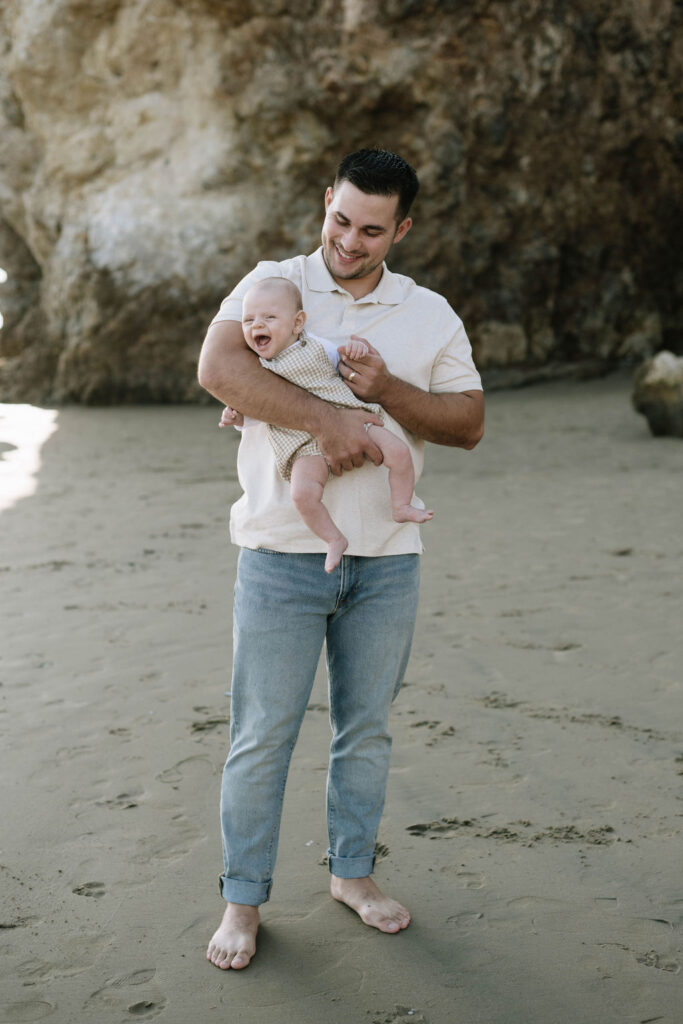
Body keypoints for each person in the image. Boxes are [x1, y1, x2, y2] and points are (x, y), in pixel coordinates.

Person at [198, 148, 484, 970]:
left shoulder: (428, 312)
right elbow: (218, 368)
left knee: (366, 734)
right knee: (262, 736)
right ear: (324, 201)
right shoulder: (271, 283)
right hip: (280, 554)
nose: (348, 242)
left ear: (401, 228)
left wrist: (385, 389)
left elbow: (465, 423)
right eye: (338, 220)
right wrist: (326, 425)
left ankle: (352, 876)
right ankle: (242, 902)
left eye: (369, 230)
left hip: (388, 560)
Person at [220, 276, 433, 573]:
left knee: (398, 453)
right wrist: (237, 417)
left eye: (269, 317)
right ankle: (333, 539)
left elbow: (346, 363)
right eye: (248, 320)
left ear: (297, 323)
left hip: (351, 417)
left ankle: (401, 505)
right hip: (302, 446)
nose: (257, 325)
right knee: (302, 494)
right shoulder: (258, 370)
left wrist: (358, 350)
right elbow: (257, 408)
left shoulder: (316, 346)